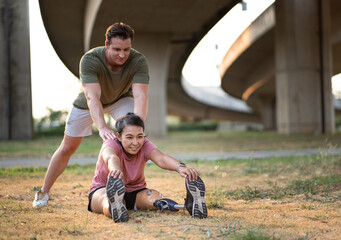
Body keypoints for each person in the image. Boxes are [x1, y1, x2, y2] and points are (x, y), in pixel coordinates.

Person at [33, 22, 150, 207]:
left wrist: (139, 128)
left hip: (120, 99)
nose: (122, 54)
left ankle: (121, 189)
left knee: (127, 136)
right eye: (117, 49)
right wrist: (102, 127)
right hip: (88, 104)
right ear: (106, 45)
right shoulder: (90, 59)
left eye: (126, 49)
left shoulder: (138, 61)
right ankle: (43, 191)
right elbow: (92, 97)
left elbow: (141, 95)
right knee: (67, 147)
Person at [88, 113, 207, 222]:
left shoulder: (144, 144)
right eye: (129, 137)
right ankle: (114, 206)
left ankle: (189, 206)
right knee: (106, 200)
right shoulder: (110, 143)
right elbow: (111, 157)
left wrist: (180, 167)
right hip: (103, 188)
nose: (135, 142)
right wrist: (115, 170)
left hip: (135, 191)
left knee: (154, 200)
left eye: (140, 136)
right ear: (118, 136)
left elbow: (161, 158)